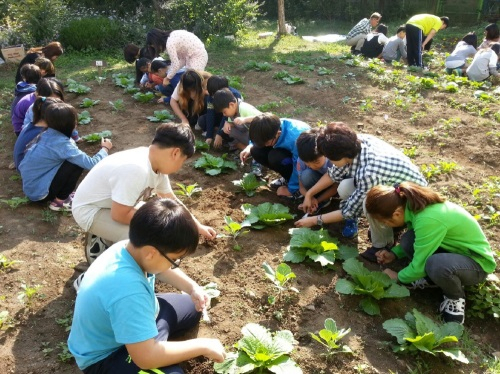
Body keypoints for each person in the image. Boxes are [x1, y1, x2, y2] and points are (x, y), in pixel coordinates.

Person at [68, 198, 226, 373]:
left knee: (191, 307)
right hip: (107, 356)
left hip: (135, 318)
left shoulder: (130, 248)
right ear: (151, 253)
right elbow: (145, 359)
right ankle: (149, 344)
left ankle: (149, 340)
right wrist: (202, 346)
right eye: (173, 260)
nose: (174, 264)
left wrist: (192, 287)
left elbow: (159, 269)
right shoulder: (128, 291)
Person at [71, 123, 216, 264]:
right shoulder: (137, 169)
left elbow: (172, 200)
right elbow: (119, 214)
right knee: (147, 240)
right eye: (182, 161)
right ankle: (103, 259)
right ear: (175, 153)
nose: (179, 167)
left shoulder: (155, 164)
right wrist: (158, 225)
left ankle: (107, 236)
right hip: (90, 210)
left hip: (111, 206)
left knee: (158, 215)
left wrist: (198, 226)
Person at [366, 182, 496, 324]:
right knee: (408, 240)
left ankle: (455, 298)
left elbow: (419, 265)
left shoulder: (427, 219)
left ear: (396, 213)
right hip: (452, 251)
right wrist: (394, 254)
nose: (385, 226)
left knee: (436, 265)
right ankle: (432, 278)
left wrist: (398, 276)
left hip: (476, 264)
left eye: (385, 222)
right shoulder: (413, 206)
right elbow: (419, 241)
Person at [294, 122, 427, 256]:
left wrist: (313, 220)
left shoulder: (370, 172)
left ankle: (382, 246)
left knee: (369, 203)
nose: (329, 161)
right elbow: (333, 174)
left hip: (414, 203)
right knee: (344, 187)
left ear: (340, 156)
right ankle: (389, 227)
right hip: (393, 189)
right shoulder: (355, 144)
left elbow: (349, 211)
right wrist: (309, 194)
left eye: (330, 158)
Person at [19, 102, 111, 211]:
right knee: (75, 164)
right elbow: (91, 164)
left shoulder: (46, 133)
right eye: (75, 120)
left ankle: (57, 194)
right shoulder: (62, 144)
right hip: (40, 194)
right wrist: (105, 149)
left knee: (70, 160)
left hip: (32, 187)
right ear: (70, 124)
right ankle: (59, 202)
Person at [240, 113, 310, 200]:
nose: (265, 146)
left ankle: (297, 189)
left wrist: (291, 189)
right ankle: (287, 178)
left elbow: (299, 165)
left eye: (267, 143)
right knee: (255, 150)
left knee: (276, 158)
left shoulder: (296, 139)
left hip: (305, 163)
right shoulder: (269, 128)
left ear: (278, 133)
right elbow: (257, 138)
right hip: (288, 153)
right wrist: (249, 146)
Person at [14, 78, 65, 169]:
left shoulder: (51, 109)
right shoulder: (35, 111)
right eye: (50, 100)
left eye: (57, 100)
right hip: (31, 154)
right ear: (38, 96)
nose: (54, 103)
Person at [295, 128, 335, 212]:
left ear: (324, 152)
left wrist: (318, 200)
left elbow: (336, 186)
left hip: (335, 188)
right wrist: (309, 198)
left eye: (316, 162)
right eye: (307, 163)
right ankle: (319, 200)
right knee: (306, 175)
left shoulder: (333, 160)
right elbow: (301, 186)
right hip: (315, 186)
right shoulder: (302, 159)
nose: (312, 166)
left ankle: (324, 200)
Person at [202, 75, 242, 146]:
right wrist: (209, 136)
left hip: (231, 119)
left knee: (229, 131)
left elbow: (227, 116)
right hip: (220, 115)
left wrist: (219, 134)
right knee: (202, 121)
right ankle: (215, 131)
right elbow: (210, 114)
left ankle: (220, 133)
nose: (214, 97)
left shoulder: (235, 95)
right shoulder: (211, 96)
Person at [11, 64, 41, 136]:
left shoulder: (20, 87)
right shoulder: (34, 94)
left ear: (23, 77)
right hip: (22, 130)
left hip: (16, 122)